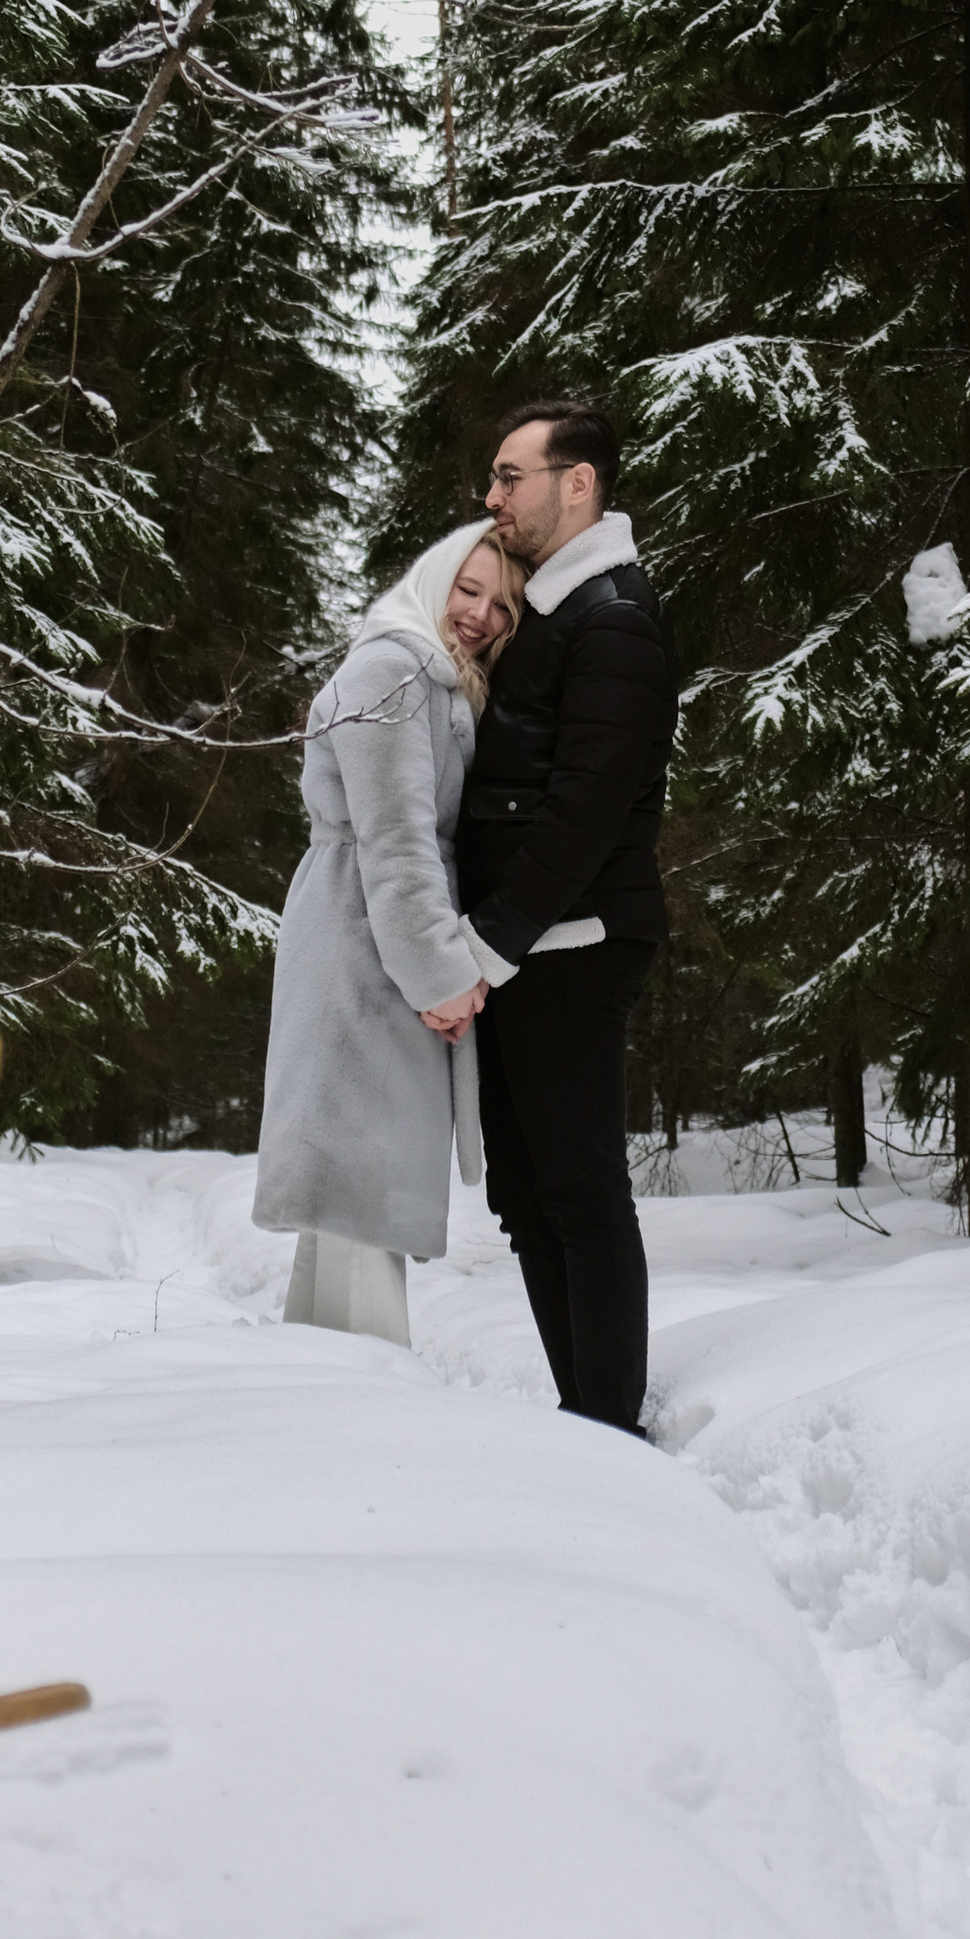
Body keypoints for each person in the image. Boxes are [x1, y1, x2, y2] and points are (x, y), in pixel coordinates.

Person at [452, 397, 679, 1434]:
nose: (490, 497)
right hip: (523, 947)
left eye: (510, 476)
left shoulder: (614, 617)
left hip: (572, 945)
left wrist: (482, 947)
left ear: (575, 482)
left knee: (579, 1195)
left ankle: (610, 1430)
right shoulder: (555, 610)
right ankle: (579, 1416)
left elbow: (585, 811)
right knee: (526, 1198)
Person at [252, 525, 523, 1346]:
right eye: (467, 590)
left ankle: (319, 1379)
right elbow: (398, 842)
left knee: (349, 1202)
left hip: (371, 939)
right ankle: (365, 1408)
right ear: (433, 578)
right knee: (358, 1188)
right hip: (361, 946)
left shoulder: (432, 679)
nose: (479, 615)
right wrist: (441, 975)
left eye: (502, 606)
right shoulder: (395, 667)